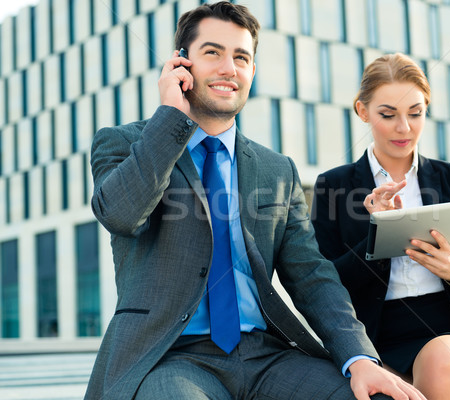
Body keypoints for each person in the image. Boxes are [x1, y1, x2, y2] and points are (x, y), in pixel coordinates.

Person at [84, 3, 426, 400]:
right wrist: (169, 118)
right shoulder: (125, 144)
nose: (229, 68)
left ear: (252, 72)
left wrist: (360, 359)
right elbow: (121, 215)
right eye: (213, 53)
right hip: (170, 356)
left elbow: (312, 276)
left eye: (241, 57)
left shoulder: (276, 170)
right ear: (180, 64)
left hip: (267, 356)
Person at [311, 53, 450, 400]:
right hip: (375, 338)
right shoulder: (333, 186)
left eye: (416, 113)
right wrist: (377, 232)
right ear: (363, 111)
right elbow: (324, 285)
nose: (405, 127)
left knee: (440, 361)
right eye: (388, 115)